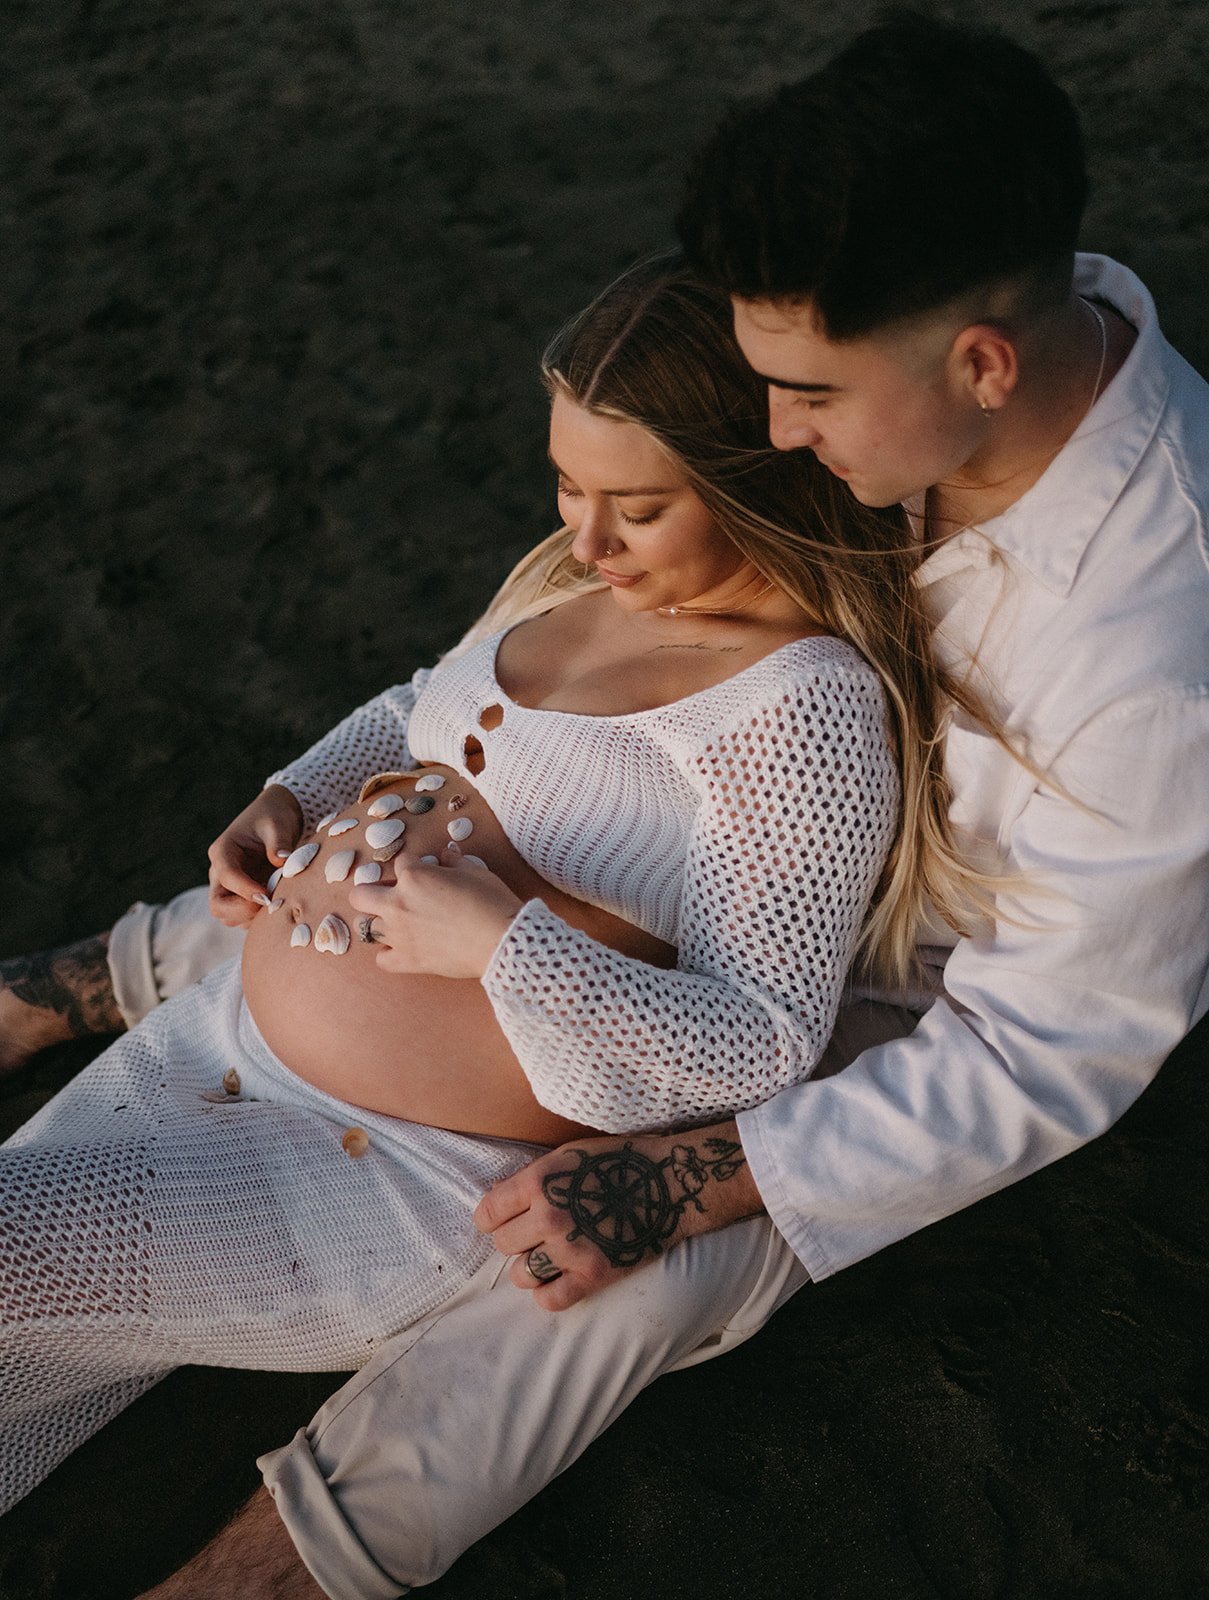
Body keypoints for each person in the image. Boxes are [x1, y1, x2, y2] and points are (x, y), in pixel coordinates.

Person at [7, 14, 1208, 1599]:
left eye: (806, 401)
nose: (775, 435)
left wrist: (691, 1171)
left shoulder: (1151, 657)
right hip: (579, 922)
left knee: (586, 1283)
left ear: (978, 366)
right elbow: (497, 718)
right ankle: (105, 978)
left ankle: (251, 1576)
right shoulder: (942, 314)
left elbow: (1040, 1050)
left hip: (842, 1033)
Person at [0, 254, 983, 1527]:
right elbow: (420, 708)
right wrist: (292, 797)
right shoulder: (581, 580)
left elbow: (763, 1043)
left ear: (764, 474)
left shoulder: (801, 712)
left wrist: (503, 944)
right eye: (569, 484)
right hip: (219, 1043)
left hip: (371, 1176)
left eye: (635, 504)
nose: (585, 536)